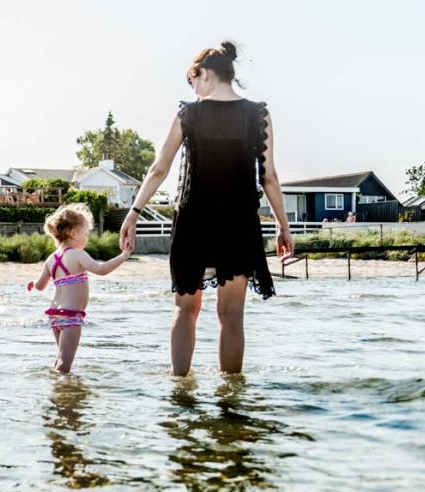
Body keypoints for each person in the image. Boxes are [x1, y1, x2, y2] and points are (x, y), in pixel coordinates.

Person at [119, 41, 294, 376]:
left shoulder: (189, 114)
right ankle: (231, 402)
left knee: (185, 310)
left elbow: (159, 168)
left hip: (194, 223)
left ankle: (181, 394)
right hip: (238, 223)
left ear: (205, 74)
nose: (194, 90)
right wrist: (283, 227)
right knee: (232, 316)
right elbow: (269, 176)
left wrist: (134, 213)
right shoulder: (258, 114)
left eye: (194, 81)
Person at [28, 203, 132, 373]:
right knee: (65, 363)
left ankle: (57, 390)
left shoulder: (51, 258)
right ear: (74, 233)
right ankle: (63, 393)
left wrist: (33, 284)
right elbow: (102, 269)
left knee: (61, 357)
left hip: (54, 314)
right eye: (86, 233)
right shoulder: (77, 254)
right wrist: (124, 256)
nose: (87, 238)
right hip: (70, 315)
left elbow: (40, 286)